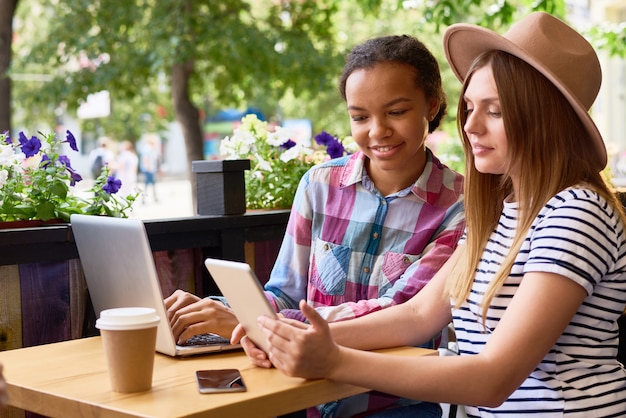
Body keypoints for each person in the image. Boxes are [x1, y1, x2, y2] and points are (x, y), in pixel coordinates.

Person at [237, 12, 626, 417]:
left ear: (547, 119)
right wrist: (292, 335)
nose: (470, 126)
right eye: (470, 107)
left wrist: (334, 359)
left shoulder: (577, 212)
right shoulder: (500, 213)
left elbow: (493, 380)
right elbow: (418, 315)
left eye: (494, 111)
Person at [166, 34, 465, 417]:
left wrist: (256, 323)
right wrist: (217, 309)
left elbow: (403, 316)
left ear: (432, 104)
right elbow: (287, 294)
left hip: (393, 402)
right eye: (359, 117)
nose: (376, 131)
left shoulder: (461, 205)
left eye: (396, 112)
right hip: (300, 397)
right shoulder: (319, 185)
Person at [139, 134, 160, 203]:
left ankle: (153, 197)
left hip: (150, 169)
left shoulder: (151, 149)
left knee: (151, 184)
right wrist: (149, 168)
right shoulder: (147, 149)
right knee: (147, 184)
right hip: (148, 169)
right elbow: (146, 159)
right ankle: (144, 199)